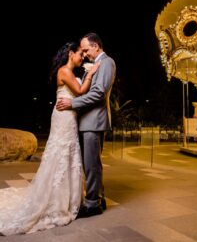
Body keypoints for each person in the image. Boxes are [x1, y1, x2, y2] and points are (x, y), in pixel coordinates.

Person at [0, 41, 100, 236]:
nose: (82, 57)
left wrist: (85, 77)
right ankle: (55, 201)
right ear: (71, 54)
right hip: (63, 118)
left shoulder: (71, 72)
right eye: (80, 53)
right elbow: (80, 92)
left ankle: (67, 198)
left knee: (68, 156)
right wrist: (91, 73)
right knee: (60, 155)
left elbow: (78, 96)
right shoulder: (64, 71)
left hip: (70, 117)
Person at [56, 32, 116, 218]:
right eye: (82, 51)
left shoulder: (107, 62)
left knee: (91, 165)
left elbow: (98, 93)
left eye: (86, 50)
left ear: (96, 46)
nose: (85, 54)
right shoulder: (97, 64)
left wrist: (72, 104)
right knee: (91, 164)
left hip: (94, 121)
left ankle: (92, 204)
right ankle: (98, 197)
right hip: (87, 121)